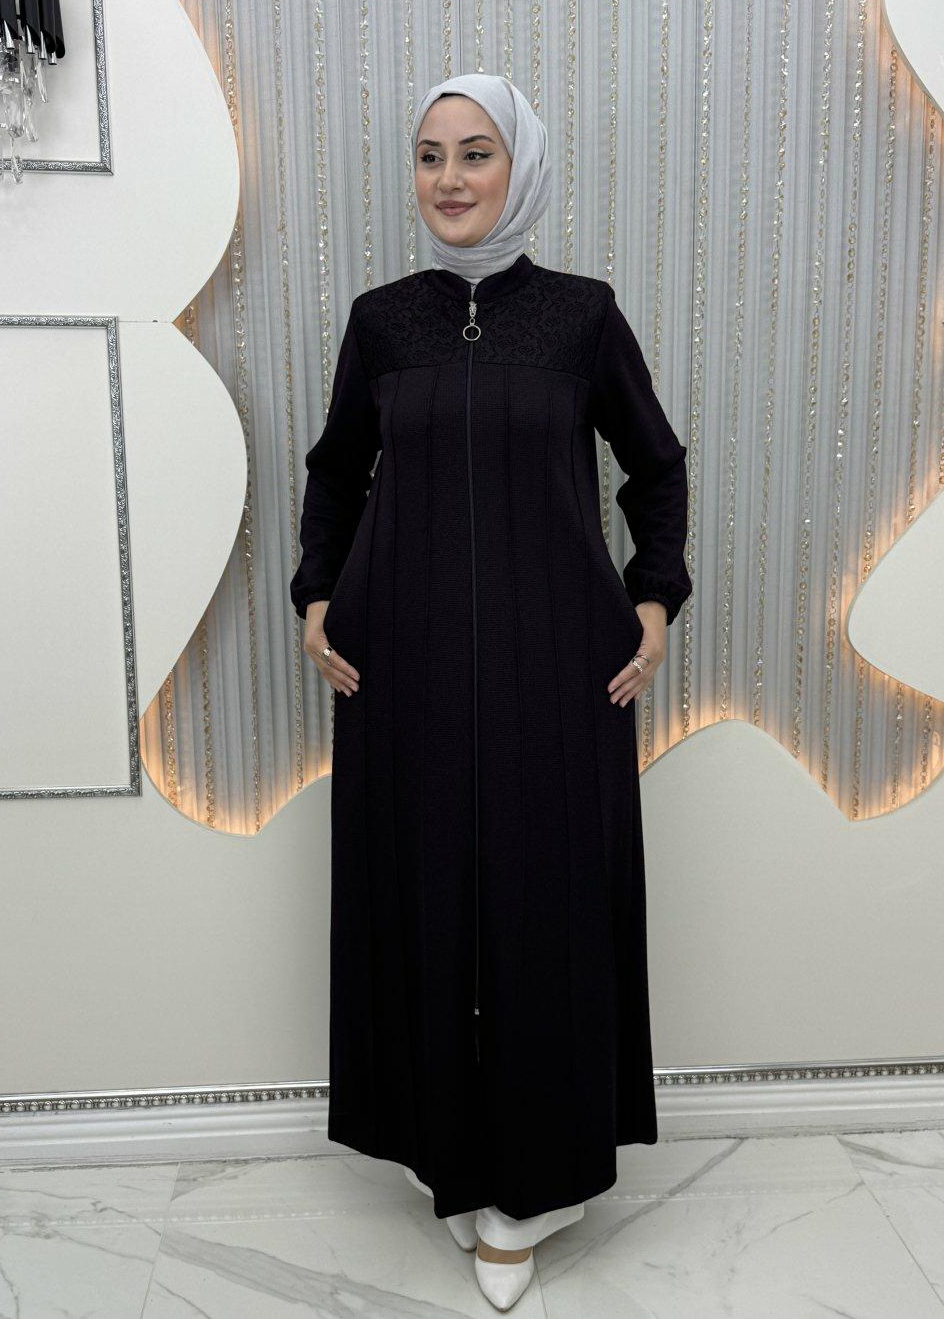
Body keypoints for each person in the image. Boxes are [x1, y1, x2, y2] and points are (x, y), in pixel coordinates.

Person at [289, 72, 692, 1312]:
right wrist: (315, 595)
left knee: (540, 912)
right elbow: (336, 470)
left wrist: (654, 598)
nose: (450, 178)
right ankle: (450, 1156)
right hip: (400, 665)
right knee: (426, 900)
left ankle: (532, 1186)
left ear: (519, 165)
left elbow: (655, 466)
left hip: (558, 666)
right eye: (429, 155)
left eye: (475, 152)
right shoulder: (383, 322)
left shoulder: (579, 317)